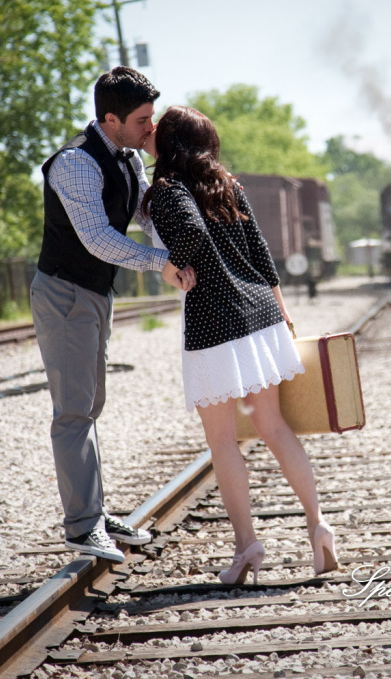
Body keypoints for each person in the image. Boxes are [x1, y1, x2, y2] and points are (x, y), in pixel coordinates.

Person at [142, 106, 337, 584]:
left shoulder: (168, 189)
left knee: (223, 441)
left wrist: (173, 267)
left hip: (215, 323)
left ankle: (247, 545)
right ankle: (318, 526)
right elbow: (263, 256)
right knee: (274, 426)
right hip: (262, 314)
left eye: (158, 127)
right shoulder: (227, 185)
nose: (150, 131)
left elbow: (190, 231)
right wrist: (283, 313)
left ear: (171, 143)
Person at [30, 67, 195, 563]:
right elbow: (98, 238)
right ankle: (83, 527)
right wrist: (160, 264)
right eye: (143, 120)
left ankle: (95, 514)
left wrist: (187, 239)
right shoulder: (76, 163)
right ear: (110, 119)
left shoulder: (129, 157)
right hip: (65, 294)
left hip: (95, 294)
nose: (151, 128)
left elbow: (144, 214)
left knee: (90, 404)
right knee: (74, 412)